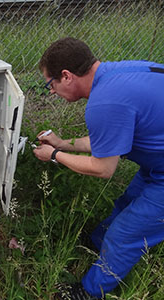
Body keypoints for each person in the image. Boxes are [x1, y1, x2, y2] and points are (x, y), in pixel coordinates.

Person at [33, 37, 164, 299]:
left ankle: (89, 292)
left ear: (67, 76)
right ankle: (95, 247)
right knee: (127, 204)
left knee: (125, 234)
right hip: (156, 165)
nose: (52, 92)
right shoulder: (114, 76)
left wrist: (55, 154)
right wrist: (64, 143)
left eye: (51, 84)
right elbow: (112, 137)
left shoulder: (103, 102)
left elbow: (103, 168)